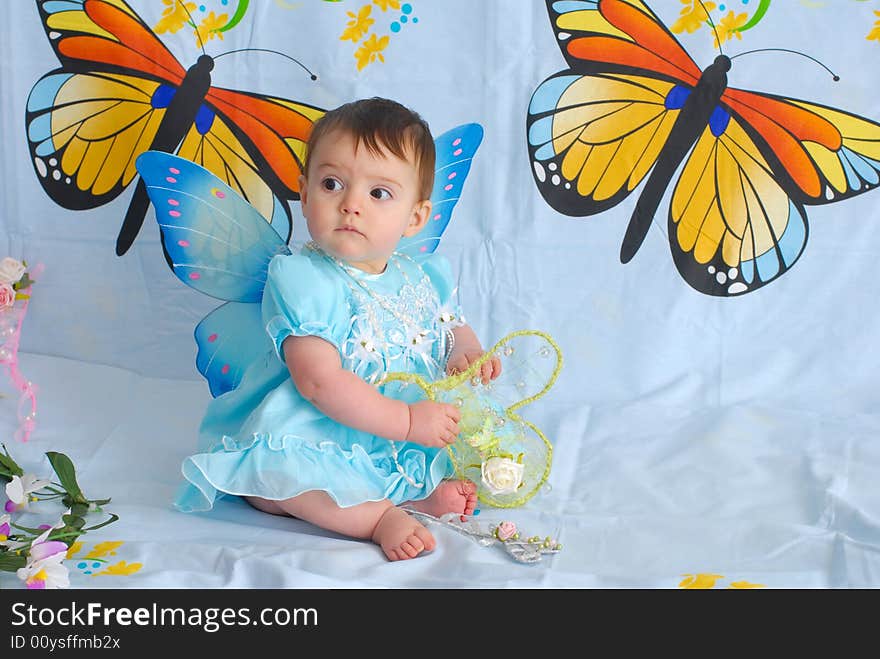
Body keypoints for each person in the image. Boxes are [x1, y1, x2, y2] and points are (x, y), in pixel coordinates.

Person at [174, 97, 501, 561]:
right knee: (278, 482)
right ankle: (375, 517)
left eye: (379, 194)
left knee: (457, 454)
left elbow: (451, 327)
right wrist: (406, 422)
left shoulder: (424, 274)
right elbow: (317, 381)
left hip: (399, 429)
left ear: (415, 217)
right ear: (305, 195)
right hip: (319, 424)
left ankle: (412, 497)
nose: (351, 205)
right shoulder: (303, 278)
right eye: (332, 184)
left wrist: (466, 352)